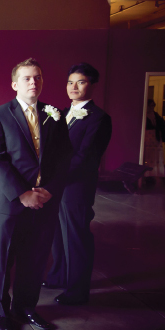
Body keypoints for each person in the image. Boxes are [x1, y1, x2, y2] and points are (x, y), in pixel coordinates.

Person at [0, 58, 71, 330]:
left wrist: (50, 190)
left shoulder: (54, 115)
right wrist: (22, 194)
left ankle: (25, 307)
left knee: (35, 257)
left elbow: (64, 158)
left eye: (38, 77)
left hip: (44, 201)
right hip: (10, 202)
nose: (34, 82)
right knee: (2, 259)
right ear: (14, 84)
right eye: (27, 78)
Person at [43, 63, 112, 305]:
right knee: (57, 234)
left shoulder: (99, 118)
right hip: (56, 185)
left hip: (76, 187)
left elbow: (86, 157)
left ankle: (77, 291)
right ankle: (58, 276)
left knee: (76, 237)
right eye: (70, 82)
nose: (73, 87)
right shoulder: (62, 113)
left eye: (80, 82)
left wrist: (54, 176)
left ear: (92, 85)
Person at [143, 99, 165, 178]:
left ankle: (157, 174)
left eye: (153, 105)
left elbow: (162, 126)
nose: (151, 107)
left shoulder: (156, 116)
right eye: (150, 105)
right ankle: (147, 175)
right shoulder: (144, 115)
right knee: (148, 157)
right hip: (147, 139)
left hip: (156, 139)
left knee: (157, 156)